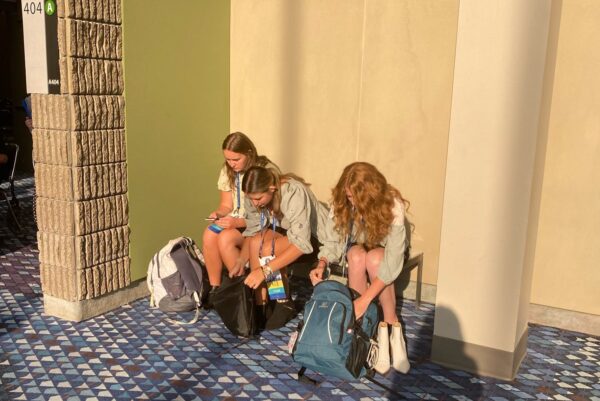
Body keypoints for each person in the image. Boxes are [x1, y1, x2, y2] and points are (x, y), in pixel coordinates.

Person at [309, 161, 411, 375]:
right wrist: (322, 263)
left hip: (388, 253)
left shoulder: (392, 204)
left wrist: (363, 300)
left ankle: (390, 327)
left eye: (355, 196)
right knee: (355, 256)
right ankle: (364, 330)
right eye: (348, 196)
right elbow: (333, 241)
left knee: (375, 259)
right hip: (360, 247)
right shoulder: (341, 202)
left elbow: (392, 260)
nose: (351, 201)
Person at [241, 165, 329, 330]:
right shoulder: (254, 194)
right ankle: (261, 302)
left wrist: (264, 271)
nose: (254, 203)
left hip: (316, 239)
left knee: (268, 249)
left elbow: (302, 244)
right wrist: (240, 261)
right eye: (251, 198)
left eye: (258, 199)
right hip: (289, 233)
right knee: (256, 243)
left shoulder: (293, 192)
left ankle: (283, 302)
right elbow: (254, 231)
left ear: (272, 189)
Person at [202, 132, 277, 291]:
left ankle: (242, 287)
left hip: (260, 225)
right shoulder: (228, 170)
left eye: (236, 159)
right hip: (236, 220)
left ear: (249, 153)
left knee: (225, 238)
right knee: (209, 233)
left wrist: (237, 222)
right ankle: (215, 287)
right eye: (228, 159)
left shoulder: (263, 171)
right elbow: (226, 206)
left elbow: (267, 216)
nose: (231, 164)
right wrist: (219, 214)